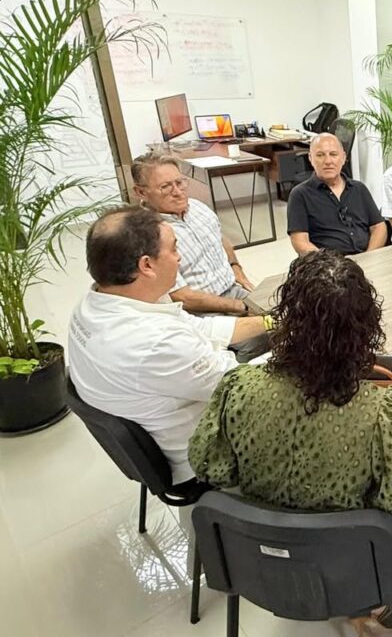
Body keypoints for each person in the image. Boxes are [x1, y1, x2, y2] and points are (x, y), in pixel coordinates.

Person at [188, 251, 392, 626]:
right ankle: (370, 607)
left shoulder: (237, 386)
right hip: (350, 563)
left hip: (257, 553)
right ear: (366, 327)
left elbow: (209, 466)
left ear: (287, 318)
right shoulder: (380, 410)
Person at [68, 206, 268, 484]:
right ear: (146, 265)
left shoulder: (100, 302)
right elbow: (248, 386)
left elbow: (200, 328)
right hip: (204, 454)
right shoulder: (154, 342)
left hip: (166, 418)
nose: (179, 257)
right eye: (174, 248)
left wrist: (273, 321)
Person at [131, 153, 267, 360]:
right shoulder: (146, 234)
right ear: (141, 192)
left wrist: (236, 268)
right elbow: (182, 297)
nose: (178, 192)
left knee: (291, 315)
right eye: (165, 187)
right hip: (198, 310)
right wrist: (242, 307)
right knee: (261, 338)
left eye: (180, 182)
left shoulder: (198, 208)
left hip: (232, 290)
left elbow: (220, 238)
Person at [287, 132, 387, 255]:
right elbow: (300, 242)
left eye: (333, 154)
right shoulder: (300, 195)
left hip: (367, 257)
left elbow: (379, 227)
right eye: (320, 155)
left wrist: (369, 256)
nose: (328, 161)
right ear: (310, 158)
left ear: (343, 158)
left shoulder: (359, 189)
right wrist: (332, 263)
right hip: (327, 263)